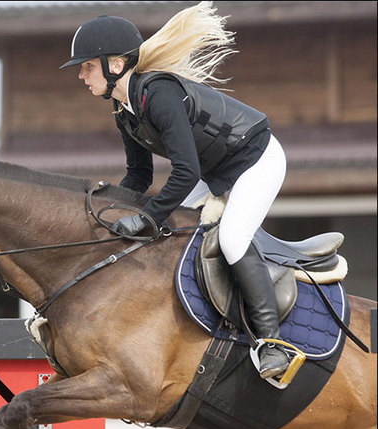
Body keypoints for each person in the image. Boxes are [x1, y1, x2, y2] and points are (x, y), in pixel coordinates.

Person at [60, 1, 291, 379]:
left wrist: (147, 216)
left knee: (232, 239)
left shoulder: (160, 96)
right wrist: (105, 211)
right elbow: (138, 176)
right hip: (214, 168)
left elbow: (184, 174)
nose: (82, 75)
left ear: (114, 65)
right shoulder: (124, 110)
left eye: (87, 66)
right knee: (171, 231)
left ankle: (272, 343)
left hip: (256, 158)